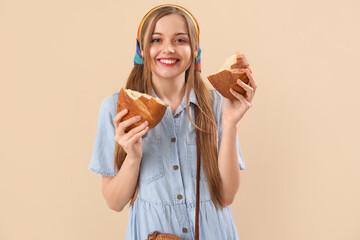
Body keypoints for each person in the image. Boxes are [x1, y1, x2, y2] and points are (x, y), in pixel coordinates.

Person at [88, 4, 257, 240]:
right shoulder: (116, 109)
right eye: (156, 40)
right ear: (142, 49)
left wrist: (229, 124)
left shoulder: (218, 104)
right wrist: (133, 158)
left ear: (195, 50)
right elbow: (114, 202)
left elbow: (226, 197)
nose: (168, 49)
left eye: (180, 40)